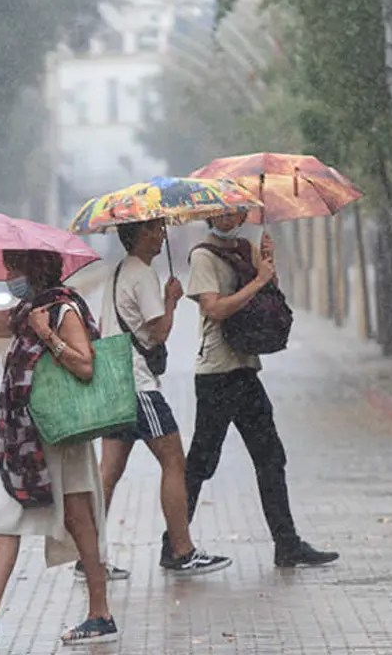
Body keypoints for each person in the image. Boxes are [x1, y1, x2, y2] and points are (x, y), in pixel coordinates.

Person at [0, 249, 118, 647]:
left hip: (55, 436)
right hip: (31, 439)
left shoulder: (60, 310)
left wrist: (48, 335)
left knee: (46, 515)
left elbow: (85, 365)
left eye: (12, 269)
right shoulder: (25, 314)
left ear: (32, 270)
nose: (9, 278)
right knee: (65, 518)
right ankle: (96, 613)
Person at [164, 211, 340, 569]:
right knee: (201, 463)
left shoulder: (244, 250)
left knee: (271, 456)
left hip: (245, 369)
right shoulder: (202, 256)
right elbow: (215, 308)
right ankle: (174, 547)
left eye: (235, 213)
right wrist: (258, 281)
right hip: (216, 373)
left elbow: (266, 296)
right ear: (211, 215)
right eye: (222, 214)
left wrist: (267, 266)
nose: (229, 219)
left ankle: (287, 544)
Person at [82, 219, 232, 581]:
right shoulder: (141, 274)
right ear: (139, 235)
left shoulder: (119, 272)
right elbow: (159, 333)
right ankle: (182, 551)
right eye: (155, 229)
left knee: (109, 472)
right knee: (174, 461)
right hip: (138, 384)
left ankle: (87, 558)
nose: (161, 234)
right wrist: (171, 300)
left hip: (114, 381)